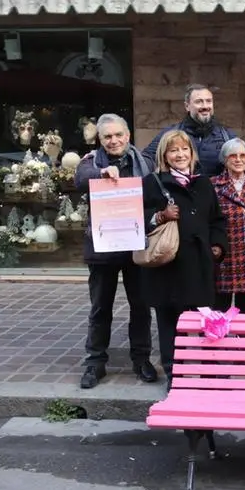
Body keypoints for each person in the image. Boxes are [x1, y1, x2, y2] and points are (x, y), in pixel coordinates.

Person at [74, 113, 158, 389]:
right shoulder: (91, 162)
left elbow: (156, 193)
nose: (113, 140)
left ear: (128, 135)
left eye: (118, 135)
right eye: (107, 136)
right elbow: (79, 178)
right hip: (103, 249)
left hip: (136, 245)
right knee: (100, 308)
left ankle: (141, 359)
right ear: (100, 140)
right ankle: (95, 363)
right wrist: (101, 174)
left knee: (141, 306)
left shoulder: (144, 163)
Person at [141, 129, 228, 388]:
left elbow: (217, 220)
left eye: (184, 149)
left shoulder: (203, 183)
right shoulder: (153, 182)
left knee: (202, 320)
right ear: (165, 156)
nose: (180, 154)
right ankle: (174, 374)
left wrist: (217, 246)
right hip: (168, 268)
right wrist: (160, 216)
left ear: (192, 153)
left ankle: (206, 372)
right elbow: (137, 222)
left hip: (199, 266)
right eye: (173, 150)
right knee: (169, 323)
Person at [143, 84, 245, 183]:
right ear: (187, 106)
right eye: (199, 102)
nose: (205, 106)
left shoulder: (226, 136)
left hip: (217, 204)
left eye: (208, 101)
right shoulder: (171, 135)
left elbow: (240, 163)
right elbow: (146, 160)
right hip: (182, 202)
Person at [210, 138, 245, 314]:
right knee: (219, 308)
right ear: (225, 160)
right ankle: (219, 339)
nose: (239, 159)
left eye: (243, 155)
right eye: (233, 156)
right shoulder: (213, 185)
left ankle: (244, 340)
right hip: (223, 256)